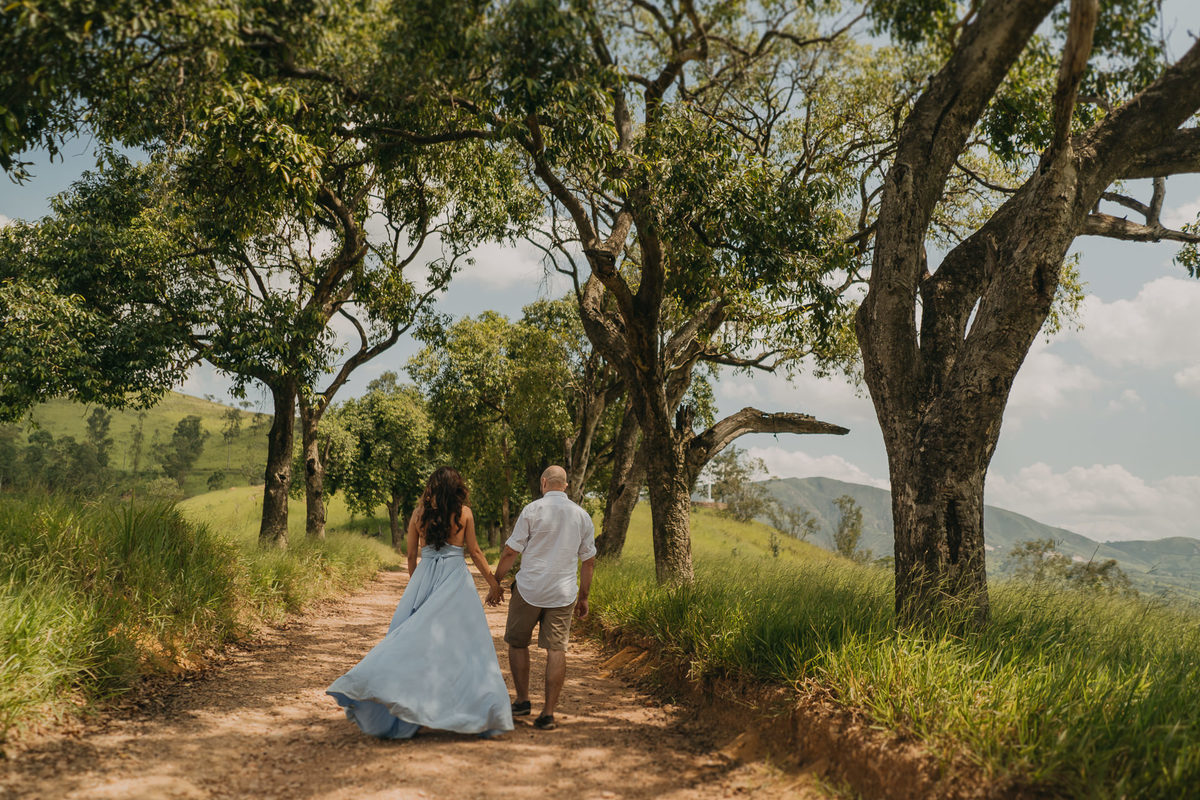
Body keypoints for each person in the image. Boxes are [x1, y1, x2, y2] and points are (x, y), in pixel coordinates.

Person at [327, 466, 513, 739]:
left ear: (432, 487)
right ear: (457, 487)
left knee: (411, 641)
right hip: (455, 579)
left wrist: (417, 584)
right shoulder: (464, 514)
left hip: (425, 576)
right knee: (465, 644)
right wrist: (493, 583)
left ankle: (387, 691)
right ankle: (473, 710)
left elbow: (411, 555)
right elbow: (474, 551)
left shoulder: (418, 515)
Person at [494, 465, 596, 731]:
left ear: (543, 483)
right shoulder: (582, 515)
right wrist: (584, 597)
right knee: (556, 649)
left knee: (518, 643)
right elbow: (589, 562)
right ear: (566, 485)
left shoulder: (532, 510)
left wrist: (496, 580)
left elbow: (510, 551)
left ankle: (523, 700)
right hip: (563, 593)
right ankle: (548, 714)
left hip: (529, 589)